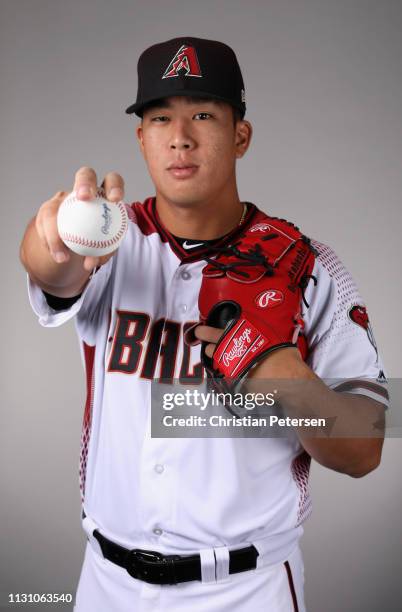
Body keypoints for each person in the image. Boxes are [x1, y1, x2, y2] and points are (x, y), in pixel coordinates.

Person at [20, 36, 388, 612]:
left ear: (240, 135)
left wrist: (283, 377)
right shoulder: (110, 240)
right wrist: (52, 245)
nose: (180, 136)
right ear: (141, 138)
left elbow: (364, 448)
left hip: (245, 589)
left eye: (202, 114)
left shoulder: (310, 268)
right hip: (107, 584)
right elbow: (50, 268)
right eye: (160, 116)